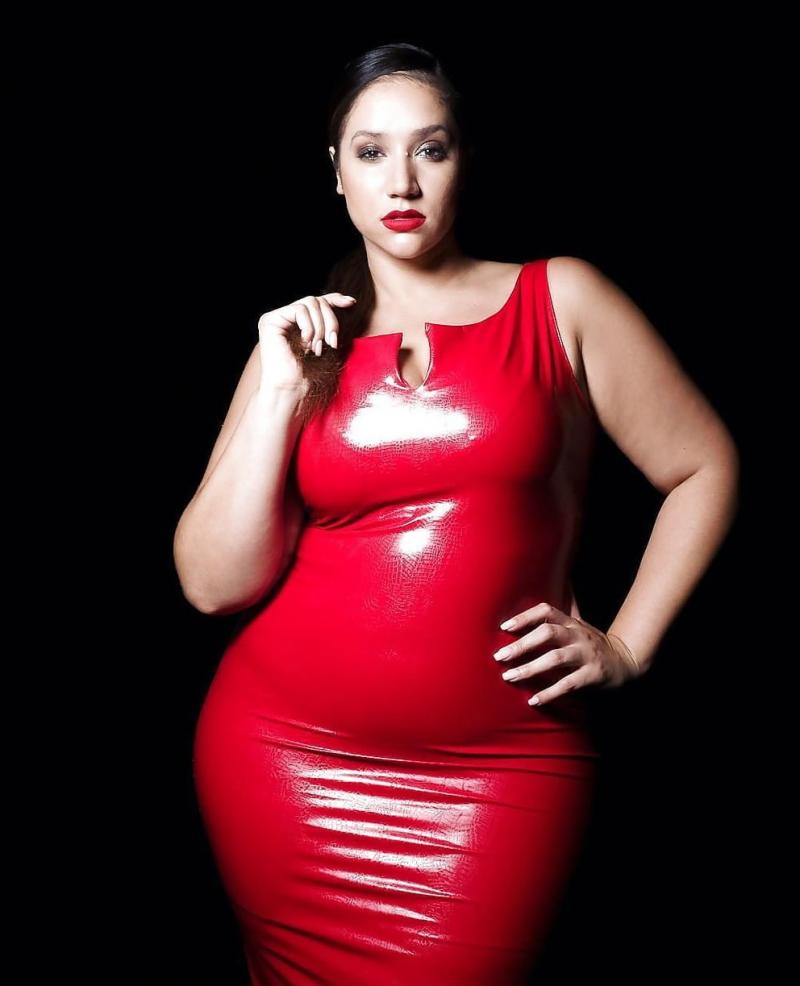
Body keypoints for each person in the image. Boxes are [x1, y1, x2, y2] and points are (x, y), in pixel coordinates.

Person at [174, 42, 739, 986]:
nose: (401, 180)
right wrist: (278, 392)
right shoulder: (300, 346)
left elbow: (703, 465)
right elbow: (212, 585)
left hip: (499, 770)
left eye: (429, 149)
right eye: (371, 153)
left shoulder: (562, 297)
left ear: (464, 162)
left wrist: (629, 644)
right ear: (336, 173)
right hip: (283, 759)